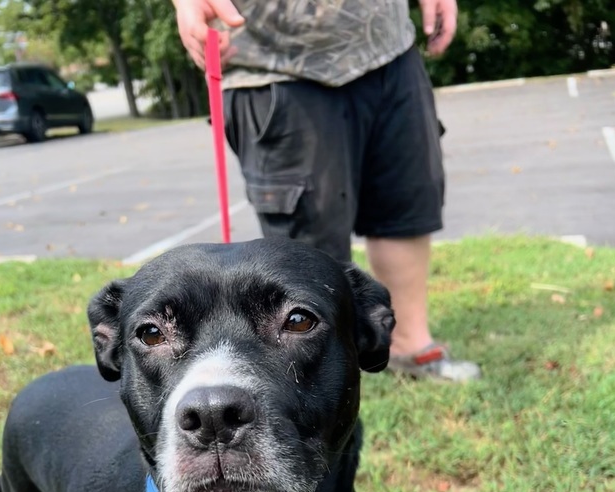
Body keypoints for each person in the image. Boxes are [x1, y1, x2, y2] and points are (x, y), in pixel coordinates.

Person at [173, 0, 480, 382]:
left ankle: (409, 346)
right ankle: (308, 375)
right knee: (308, 250)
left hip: (388, 47)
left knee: (405, 204)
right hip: (275, 62)